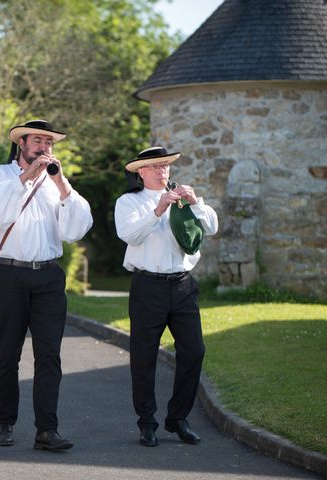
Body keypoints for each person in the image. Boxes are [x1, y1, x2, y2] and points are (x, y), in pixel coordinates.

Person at [0, 119, 93, 451]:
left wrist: (62, 184)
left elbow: (76, 228)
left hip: (48, 277)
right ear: (22, 144)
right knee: (8, 352)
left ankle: (47, 430)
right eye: (38, 141)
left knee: (49, 355)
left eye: (49, 143)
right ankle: (5, 422)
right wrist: (25, 178)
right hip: (9, 276)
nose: (44, 147)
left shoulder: (57, 183)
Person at [114, 146, 218, 447]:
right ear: (140, 171)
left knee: (194, 350)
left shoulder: (183, 198)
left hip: (183, 285)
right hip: (148, 287)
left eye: (165, 166)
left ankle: (178, 419)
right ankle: (147, 423)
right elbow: (130, 235)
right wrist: (158, 210)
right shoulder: (128, 202)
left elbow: (211, 227)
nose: (163, 171)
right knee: (144, 357)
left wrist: (195, 203)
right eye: (156, 166)